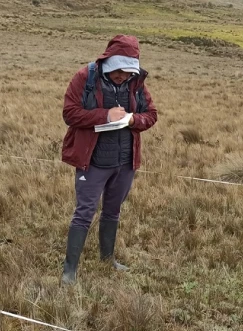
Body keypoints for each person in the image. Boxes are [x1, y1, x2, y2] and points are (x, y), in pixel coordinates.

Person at [59, 35, 158, 285]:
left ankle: (107, 259)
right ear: (109, 62)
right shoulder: (85, 78)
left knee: (113, 211)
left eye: (128, 72)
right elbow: (70, 114)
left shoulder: (136, 83)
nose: (123, 77)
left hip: (125, 161)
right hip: (92, 161)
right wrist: (105, 116)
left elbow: (151, 115)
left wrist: (135, 120)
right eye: (120, 72)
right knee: (84, 212)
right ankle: (69, 271)